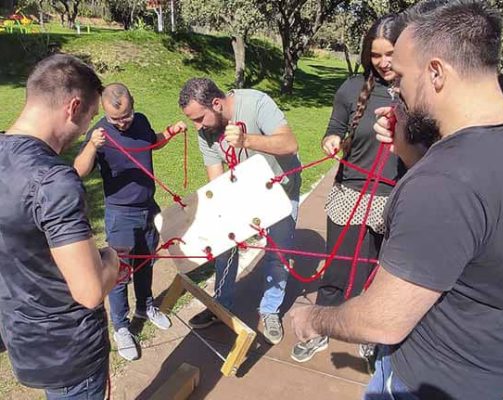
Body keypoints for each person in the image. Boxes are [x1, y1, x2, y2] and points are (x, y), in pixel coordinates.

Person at [290, 1, 503, 399]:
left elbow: (382, 320)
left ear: (436, 72)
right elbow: (477, 223)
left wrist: (315, 318)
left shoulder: (442, 183)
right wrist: (409, 152)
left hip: (432, 381)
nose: (396, 87)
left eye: (401, 75)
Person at [0, 54, 120, 399]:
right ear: (74, 106)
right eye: (90, 118)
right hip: (71, 354)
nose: (86, 129)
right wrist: (110, 259)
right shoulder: (54, 180)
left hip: (23, 339)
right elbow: (90, 291)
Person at [290, 15, 407, 364]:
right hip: (351, 193)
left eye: (391, 54)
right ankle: (320, 329)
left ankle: (371, 335)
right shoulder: (351, 88)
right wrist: (331, 140)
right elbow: (335, 128)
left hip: (395, 196)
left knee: (378, 271)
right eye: (376, 55)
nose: (384, 63)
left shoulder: (418, 94)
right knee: (337, 268)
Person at [178, 78, 301, 345]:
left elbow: (290, 144)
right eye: (193, 121)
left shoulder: (256, 103)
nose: (197, 127)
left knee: (278, 254)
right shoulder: (206, 132)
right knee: (226, 247)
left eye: (200, 118)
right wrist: (228, 219)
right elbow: (216, 179)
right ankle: (221, 306)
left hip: (281, 188)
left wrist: (246, 140)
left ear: (217, 103)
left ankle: (269, 310)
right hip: (245, 190)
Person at [74, 83, 186, 361]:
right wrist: (91, 146)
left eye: (127, 116)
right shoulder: (99, 133)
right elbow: (79, 169)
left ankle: (146, 306)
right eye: (116, 119)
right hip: (120, 213)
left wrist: (170, 133)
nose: (123, 123)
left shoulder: (142, 121)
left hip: (148, 208)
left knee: (146, 262)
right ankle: (121, 328)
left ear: (132, 105)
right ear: (105, 113)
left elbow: (151, 141)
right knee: (120, 273)